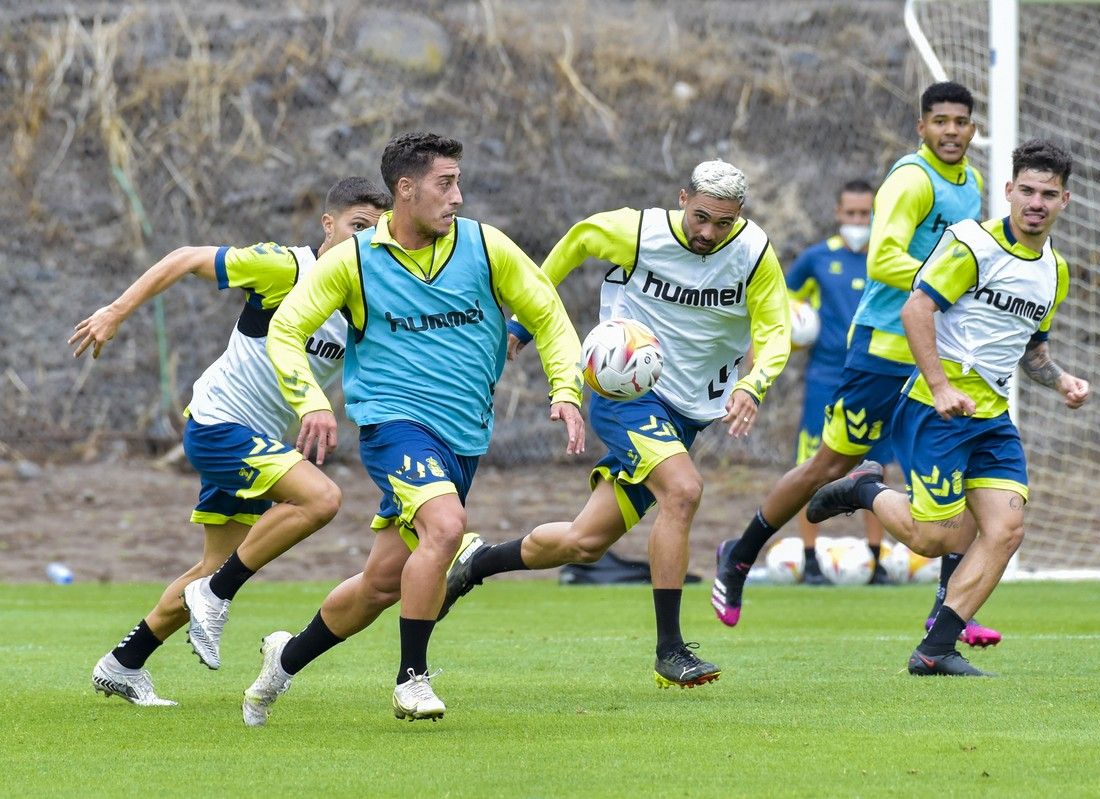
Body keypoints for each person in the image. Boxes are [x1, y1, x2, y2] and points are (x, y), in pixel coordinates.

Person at [241, 132, 584, 726]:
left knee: (381, 584)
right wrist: (310, 402)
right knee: (447, 526)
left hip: (463, 437)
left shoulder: (486, 247)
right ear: (406, 189)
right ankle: (412, 679)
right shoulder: (352, 259)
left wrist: (566, 389)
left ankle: (284, 659)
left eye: (458, 182)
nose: (457, 196)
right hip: (392, 425)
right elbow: (286, 330)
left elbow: (547, 314)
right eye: (444, 183)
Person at [437, 159, 792, 689]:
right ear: (681, 199)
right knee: (684, 490)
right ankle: (670, 650)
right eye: (700, 217)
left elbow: (775, 330)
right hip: (624, 393)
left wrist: (752, 383)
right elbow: (579, 239)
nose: (707, 232)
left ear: (739, 216)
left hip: (687, 412)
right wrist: (524, 320)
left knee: (584, 542)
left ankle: (476, 562)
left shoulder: (752, 252)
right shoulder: (639, 231)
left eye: (722, 222)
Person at [78, 177, 391, 705]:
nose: (364, 240)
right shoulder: (287, 268)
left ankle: (123, 663)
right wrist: (116, 311)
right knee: (321, 499)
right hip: (219, 428)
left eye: (375, 233)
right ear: (328, 224)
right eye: (357, 227)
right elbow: (182, 257)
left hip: (257, 441)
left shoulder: (360, 297)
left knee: (211, 566)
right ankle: (218, 594)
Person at [712, 81, 1000, 646]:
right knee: (827, 466)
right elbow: (884, 256)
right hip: (883, 349)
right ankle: (739, 555)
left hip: (939, 353)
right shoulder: (912, 179)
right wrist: (955, 282)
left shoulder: (973, 185)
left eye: (960, 121)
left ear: (972, 129)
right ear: (921, 128)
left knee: (961, 468)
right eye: (939, 121)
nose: (950, 130)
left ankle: (948, 611)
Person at [806, 139, 1088, 676]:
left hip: (992, 417)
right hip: (936, 407)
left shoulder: (1055, 271)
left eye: (1048, 194)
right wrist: (938, 385)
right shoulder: (971, 245)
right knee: (936, 538)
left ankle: (935, 650)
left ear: (1064, 201)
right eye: (1026, 190)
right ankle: (866, 488)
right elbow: (917, 310)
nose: (1036, 202)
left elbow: (1030, 347)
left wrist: (1061, 380)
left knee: (1005, 530)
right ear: (1008, 191)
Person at [778, 179, 896, 585]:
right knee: (813, 466)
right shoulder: (814, 260)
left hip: (875, 375)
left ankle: (876, 560)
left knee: (876, 466)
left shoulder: (888, 258)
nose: (858, 222)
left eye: (865, 214)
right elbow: (783, 305)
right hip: (826, 376)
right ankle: (811, 560)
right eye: (851, 214)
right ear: (837, 213)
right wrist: (796, 325)